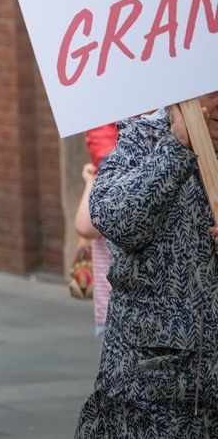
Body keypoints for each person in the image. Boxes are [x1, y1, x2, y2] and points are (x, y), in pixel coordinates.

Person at [76, 92, 218, 436]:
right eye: (212, 92)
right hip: (148, 392)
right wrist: (176, 147)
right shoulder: (144, 138)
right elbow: (115, 219)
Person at [75, 123, 117, 341]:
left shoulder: (108, 186)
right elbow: (86, 227)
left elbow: (84, 227)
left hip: (111, 314)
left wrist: (92, 181)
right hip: (111, 315)